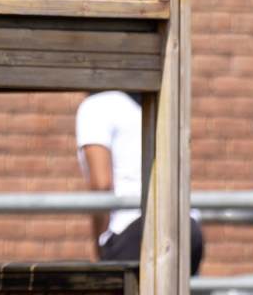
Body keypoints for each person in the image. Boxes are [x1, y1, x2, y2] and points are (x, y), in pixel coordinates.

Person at [76, 90, 204, 273]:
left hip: (134, 229)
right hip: (187, 223)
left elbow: (101, 185)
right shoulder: (156, 102)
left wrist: (99, 244)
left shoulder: (95, 106)